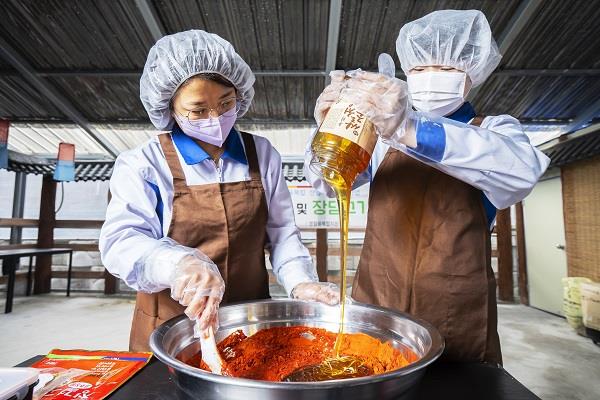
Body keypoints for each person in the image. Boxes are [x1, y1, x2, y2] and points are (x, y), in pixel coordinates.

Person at [305, 10, 550, 364]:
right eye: (420, 68)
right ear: (407, 74)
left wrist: (410, 130)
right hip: (377, 301)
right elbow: (325, 183)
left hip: (454, 313)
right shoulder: (380, 136)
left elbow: (522, 172)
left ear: (471, 73)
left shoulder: (494, 130)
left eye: (446, 67)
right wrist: (327, 129)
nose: (431, 76)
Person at [100, 30, 338, 352]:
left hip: (249, 322)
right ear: (170, 108)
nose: (215, 118)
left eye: (226, 103)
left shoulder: (262, 154)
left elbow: (282, 234)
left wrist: (301, 282)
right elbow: (121, 243)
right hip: (172, 327)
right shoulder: (144, 163)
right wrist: (178, 264)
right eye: (198, 110)